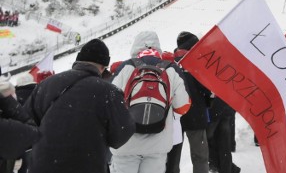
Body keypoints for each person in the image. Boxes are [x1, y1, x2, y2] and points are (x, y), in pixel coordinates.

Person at [25, 38, 135, 173]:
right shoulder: (110, 92)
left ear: (78, 61)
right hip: (87, 165)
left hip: (42, 165)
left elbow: (25, 125)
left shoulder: (47, 84)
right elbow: (121, 135)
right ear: (103, 67)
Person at [110, 30, 191, 173]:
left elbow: (110, 102)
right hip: (157, 144)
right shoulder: (170, 68)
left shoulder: (126, 67)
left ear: (135, 47)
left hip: (125, 142)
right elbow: (183, 106)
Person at [166, 32, 211, 173]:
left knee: (173, 157)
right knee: (200, 157)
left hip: (175, 116)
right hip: (196, 116)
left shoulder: (170, 63)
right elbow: (207, 89)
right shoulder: (197, 62)